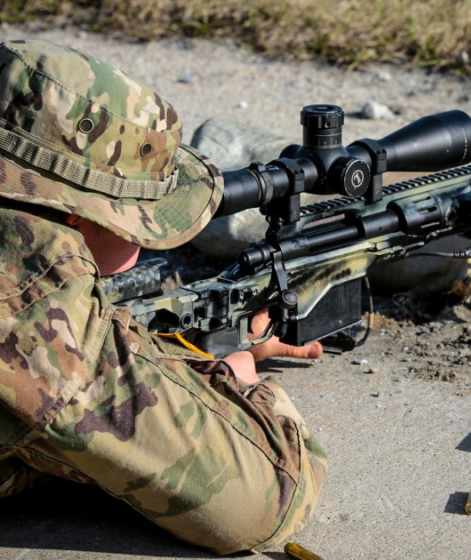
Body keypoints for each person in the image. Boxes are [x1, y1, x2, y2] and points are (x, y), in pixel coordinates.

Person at [0, 39, 327, 554]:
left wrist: (176, 359)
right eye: (141, 219)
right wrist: (240, 384)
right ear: (79, 213)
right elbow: (265, 499)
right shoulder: (26, 289)